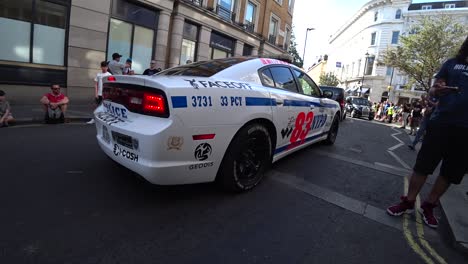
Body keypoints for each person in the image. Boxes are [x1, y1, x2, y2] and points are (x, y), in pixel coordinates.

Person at [386, 36, 468, 228]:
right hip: (441, 122)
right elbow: (433, 90)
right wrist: (436, 90)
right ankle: (408, 202)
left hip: (465, 130)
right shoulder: (451, 64)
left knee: (450, 173)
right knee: (423, 166)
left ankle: (429, 205)